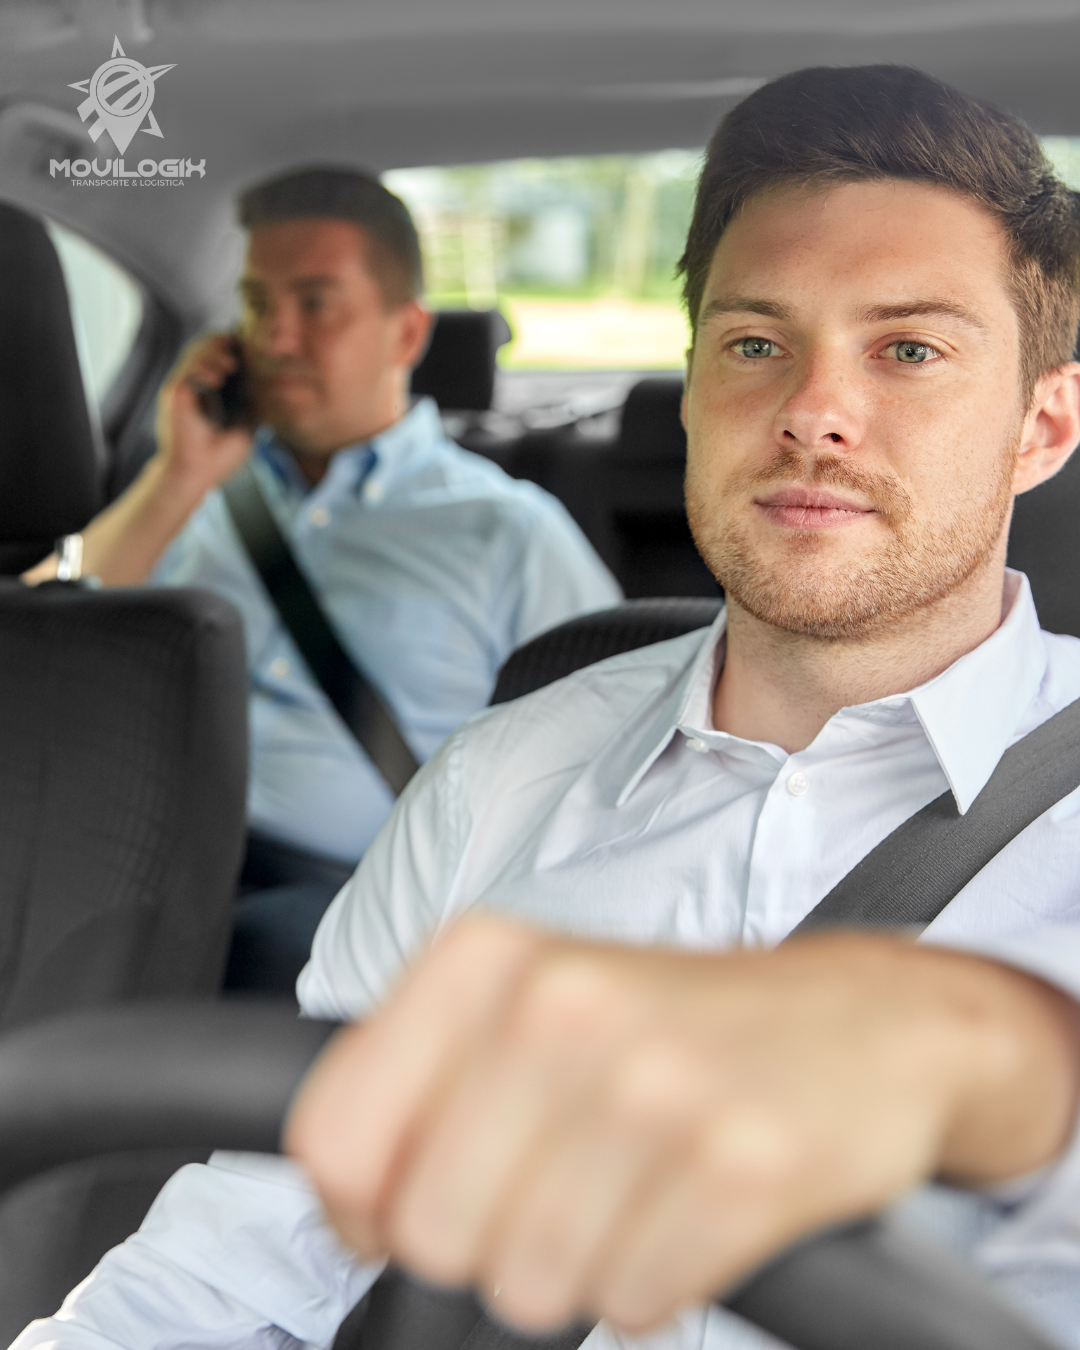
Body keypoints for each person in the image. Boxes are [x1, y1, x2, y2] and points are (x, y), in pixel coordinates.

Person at [15, 63, 1080, 1350]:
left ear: (1042, 426)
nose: (813, 413)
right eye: (754, 344)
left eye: (908, 350)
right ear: (693, 385)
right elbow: (231, 1268)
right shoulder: (491, 787)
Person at [25, 167, 621, 987]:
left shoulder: (508, 532)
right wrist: (176, 479)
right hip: (125, 877)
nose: (274, 339)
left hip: (352, 913)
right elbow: (36, 640)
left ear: (406, 334)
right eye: (257, 305)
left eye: (315, 305)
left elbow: (610, 776)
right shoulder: (189, 491)